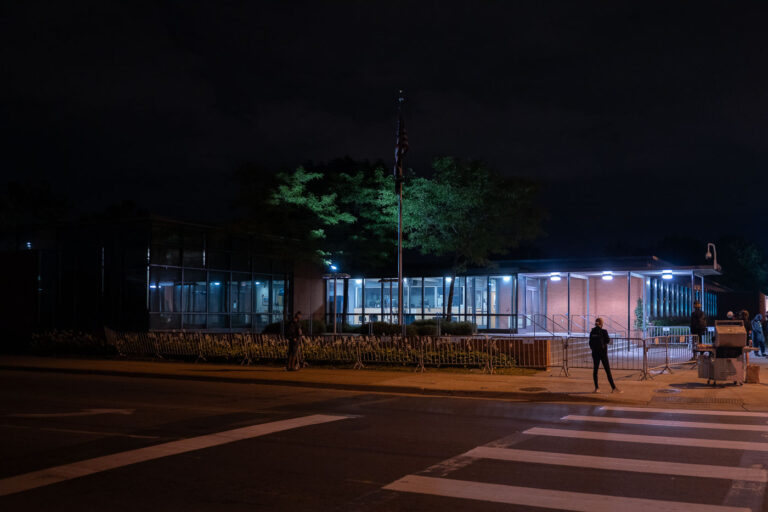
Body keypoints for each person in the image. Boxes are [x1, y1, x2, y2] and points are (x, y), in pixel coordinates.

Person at [589, 317, 620, 393]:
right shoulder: (604, 331)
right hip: (603, 353)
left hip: (595, 353)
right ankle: (613, 388)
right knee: (607, 371)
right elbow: (608, 341)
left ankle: (597, 387)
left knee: (595, 370)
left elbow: (590, 342)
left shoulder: (592, 331)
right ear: (601, 323)